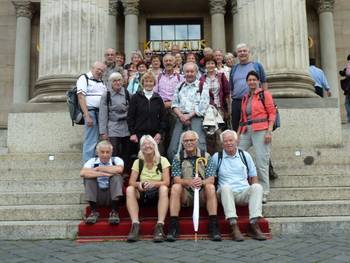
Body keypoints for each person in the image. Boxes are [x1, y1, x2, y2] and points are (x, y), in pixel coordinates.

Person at [167, 130, 221, 242]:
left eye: (192, 140)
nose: (189, 143)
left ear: (197, 141)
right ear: (182, 143)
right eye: (186, 141)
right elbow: (176, 179)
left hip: (202, 193)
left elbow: (211, 178)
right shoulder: (178, 157)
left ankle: (213, 226)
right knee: (175, 187)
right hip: (186, 194)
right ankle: (173, 226)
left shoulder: (206, 156)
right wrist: (188, 182)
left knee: (210, 187)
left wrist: (202, 182)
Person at [213, 130, 266, 241]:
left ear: (236, 141)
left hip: (243, 192)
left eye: (231, 140)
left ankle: (254, 225)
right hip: (225, 194)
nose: (228, 143)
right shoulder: (217, 157)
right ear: (222, 144)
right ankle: (233, 226)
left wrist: (255, 192)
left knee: (257, 187)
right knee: (226, 187)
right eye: (225, 141)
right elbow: (211, 178)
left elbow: (253, 176)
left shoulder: (245, 155)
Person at [237, 71, 276, 203]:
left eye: (254, 79)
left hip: (261, 130)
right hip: (246, 130)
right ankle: (242, 185)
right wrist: (237, 135)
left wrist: (269, 131)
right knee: (237, 154)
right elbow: (242, 118)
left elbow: (272, 113)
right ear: (247, 82)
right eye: (250, 80)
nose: (252, 82)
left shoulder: (265, 94)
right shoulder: (245, 97)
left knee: (261, 162)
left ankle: (264, 191)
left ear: (258, 81)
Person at [125, 135, 170, 242]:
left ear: (155, 146)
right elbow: (131, 182)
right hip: (143, 193)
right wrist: (139, 184)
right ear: (141, 148)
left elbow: (167, 182)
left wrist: (154, 184)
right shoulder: (138, 162)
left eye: (150, 143)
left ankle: (160, 226)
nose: (147, 146)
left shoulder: (162, 160)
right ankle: (135, 225)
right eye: (144, 144)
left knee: (164, 188)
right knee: (129, 189)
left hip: (157, 193)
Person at [167, 62, 209, 161]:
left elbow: (203, 105)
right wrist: (181, 116)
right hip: (180, 118)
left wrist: (188, 116)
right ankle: (177, 171)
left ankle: (200, 170)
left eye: (192, 71)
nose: (189, 74)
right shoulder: (179, 86)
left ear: (196, 72)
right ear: (183, 73)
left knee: (198, 145)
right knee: (174, 147)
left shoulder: (203, 85)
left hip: (196, 118)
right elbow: (174, 104)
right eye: (187, 71)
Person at [80, 140, 124, 225]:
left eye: (108, 152)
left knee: (117, 177)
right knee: (88, 178)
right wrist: (103, 174)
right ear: (97, 153)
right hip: (97, 195)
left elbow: (119, 169)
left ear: (111, 153)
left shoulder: (116, 160)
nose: (105, 155)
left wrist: (99, 168)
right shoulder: (92, 161)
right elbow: (82, 173)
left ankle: (114, 211)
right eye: (102, 152)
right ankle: (94, 211)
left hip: (112, 196)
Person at [127, 71, 166, 158]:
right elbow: (130, 117)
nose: (148, 83)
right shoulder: (135, 97)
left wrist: (160, 133)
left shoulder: (158, 98)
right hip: (139, 134)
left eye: (151, 81)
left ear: (154, 83)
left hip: (155, 134)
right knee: (142, 157)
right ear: (143, 83)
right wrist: (132, 133)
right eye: (146, 81)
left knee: (156, 156)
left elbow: (163, 118)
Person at [229, 43, 267, 132]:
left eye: (244, 51)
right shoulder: (234, 68)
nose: (242, 53)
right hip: (237, 102)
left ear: (249, 52)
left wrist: (264, 98)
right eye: (240, 51)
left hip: (253, 100)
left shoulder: (257, 66)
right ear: (237, 54)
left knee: (254, 128)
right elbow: (231, 87)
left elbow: (264, 82)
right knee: (237, 128)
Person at [99, 72, 131, 174]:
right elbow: (103, 114)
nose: (117, 82)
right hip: (113, 126)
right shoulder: (106, 95)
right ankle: (115, 173)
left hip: (126, 126)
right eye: (114, 81)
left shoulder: (127, 93)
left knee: (126, 152)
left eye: (119, 80)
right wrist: (103, 132)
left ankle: (125, 173)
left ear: (122, 81)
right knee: (114, 151)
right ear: (111, 83)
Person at [199, 54, 230, 154]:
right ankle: (211, 157)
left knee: (218, 133)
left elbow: (227, 93)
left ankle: (221, 155)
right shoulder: (202, 79)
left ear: (215, 64)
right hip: (207, 110)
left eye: (212, 63)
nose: (210, 65)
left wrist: (228, 109)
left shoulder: (221, 76)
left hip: (219, 109)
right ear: (205, 65)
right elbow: (200, 94)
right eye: (208, 63)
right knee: (209, 135)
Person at [77, 61, 106, 162]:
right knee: (91, 140)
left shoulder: (102, 81)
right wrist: (86, 115)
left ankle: (95, 164)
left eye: (102, 70)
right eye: (98, 69)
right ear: (92, 68)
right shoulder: (84, 78)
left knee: (98, 140)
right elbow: (81, 97)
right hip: (91, 112)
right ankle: (88, 166)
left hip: (101, 114)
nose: (100, 72)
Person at [155, 53, 184, 152]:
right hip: (161, 110)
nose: (168, 63)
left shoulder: (180, 78)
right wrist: (161, 104)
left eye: (170, 61)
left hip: (175, 110)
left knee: (174, 136)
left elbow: (183, 95)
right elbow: (155, 94)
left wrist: (171, 103)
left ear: (175, 62)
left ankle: (173, 158)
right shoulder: (158, 77)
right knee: (161, 136)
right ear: (163, 63)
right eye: (166, 61)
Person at [339, 54, 350, 123]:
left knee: (347, 103)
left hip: (349, 89)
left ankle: (349, 118)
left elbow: (343, 73)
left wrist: (341, 72)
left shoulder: (348, 66)